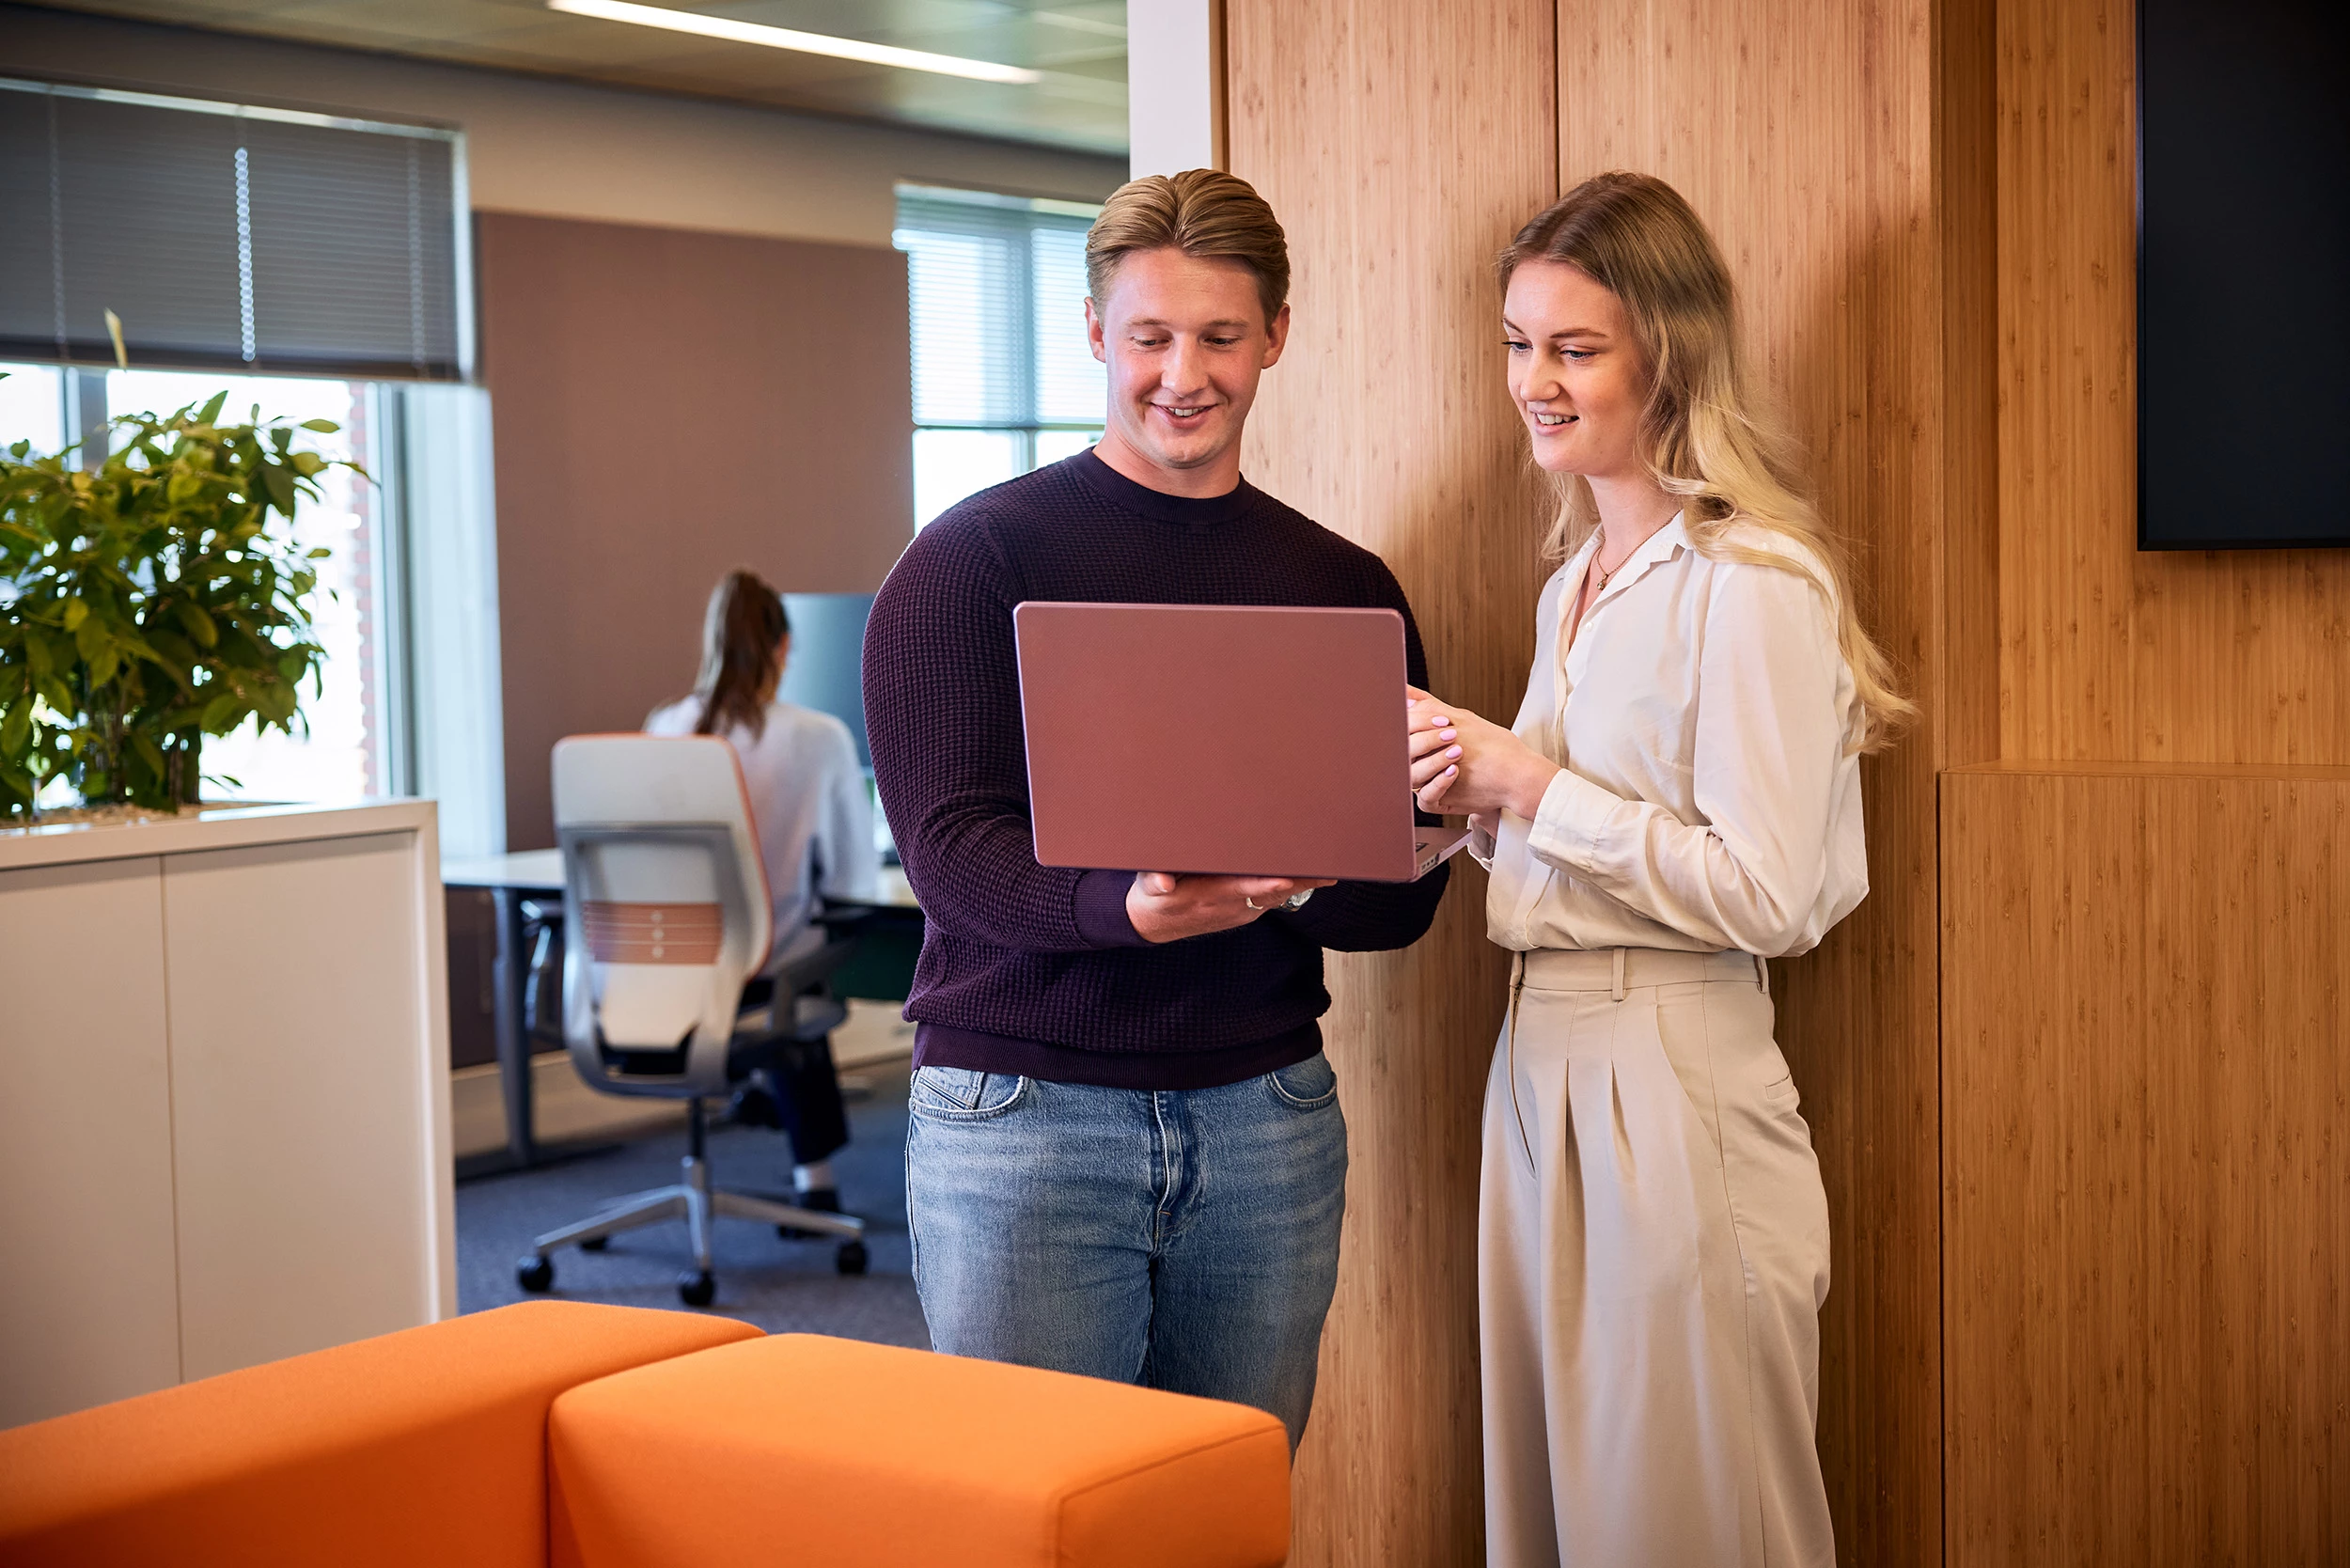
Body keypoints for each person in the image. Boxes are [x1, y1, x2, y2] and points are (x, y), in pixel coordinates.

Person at [861, 170, 1448, 1450]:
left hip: (1265, 1120)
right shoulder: (970, 563)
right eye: (1150, 337)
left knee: (1224, 1517)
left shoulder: (1344, 587)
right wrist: (1122, 907)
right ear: (1094, 336)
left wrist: (1361, 857)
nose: (1184, 374)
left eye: (1222, 338)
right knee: (1033, 1518)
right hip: (1025, 1120)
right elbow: (951, 855)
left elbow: (1391, 909)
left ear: (1276, 338)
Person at [1403, 173, 1913, 1567]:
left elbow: (1770, 891)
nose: (1533, 383)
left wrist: (1534, 784)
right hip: (1538, 1062)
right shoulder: (1573, 582)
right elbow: (1577, 843)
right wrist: (1462, 817)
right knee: (1562, 1506)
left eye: (1574, 349)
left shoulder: (1755, 582)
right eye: (1518, 343)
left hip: (1673, 1068)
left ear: (1667, 357)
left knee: (1686, 1516)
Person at [646, 567, 879, 1212]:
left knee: (776, 954)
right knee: (803, 952)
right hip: (769, 974)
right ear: (782, 649)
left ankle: (767, 1110)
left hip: (666, 972)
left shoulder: (666, 727)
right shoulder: (818, 737)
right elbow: (852, 879)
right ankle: (815, 1176)